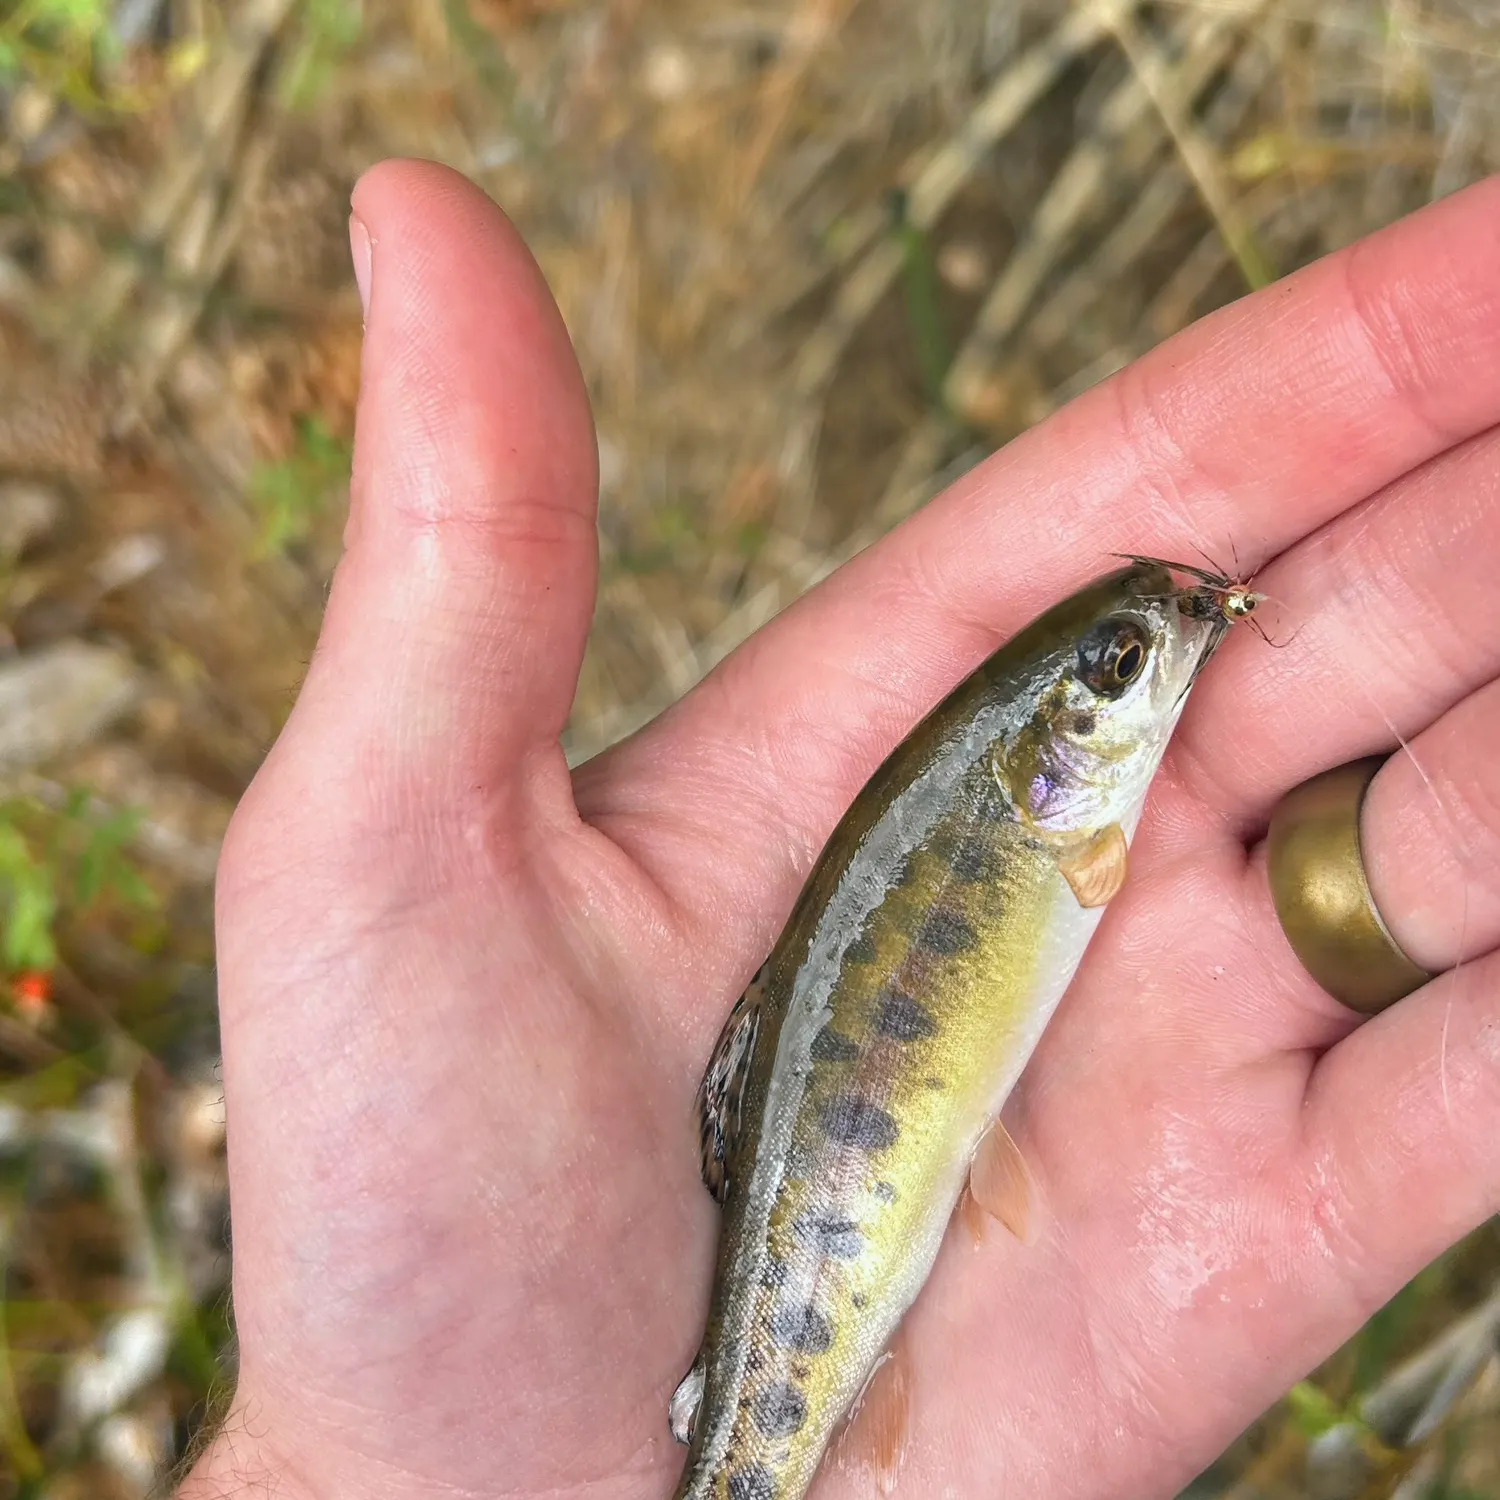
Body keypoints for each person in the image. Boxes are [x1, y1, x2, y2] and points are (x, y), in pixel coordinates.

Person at [178, 160, 1500, 1500]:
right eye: (1112, 670)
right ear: (1042, 773)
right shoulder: (1054, 824)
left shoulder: (1055, 818)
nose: (1149, 651)